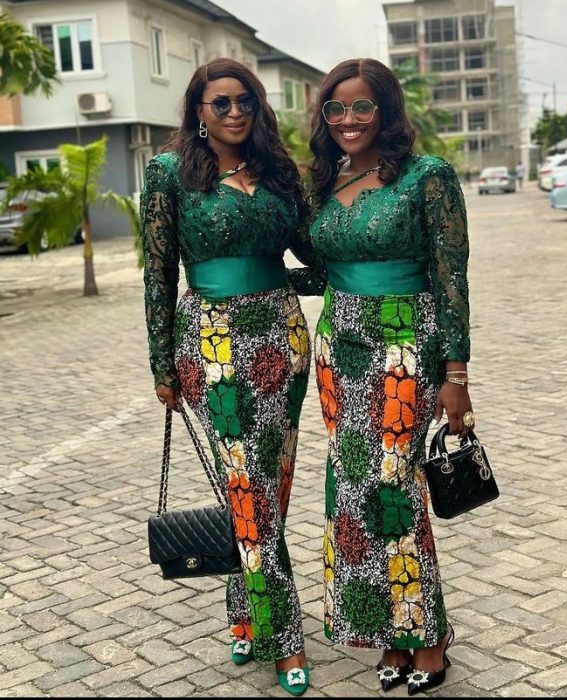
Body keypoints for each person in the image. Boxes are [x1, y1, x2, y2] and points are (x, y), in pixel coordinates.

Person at [140, 58, 314, 696]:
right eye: (221, 103)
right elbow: (158, 272)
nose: (235, 112)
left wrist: (277, 283)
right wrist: (162, 363)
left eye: (245, 101)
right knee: (248, 488)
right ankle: (283, 638)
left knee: (271, 488)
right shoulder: (168, 174)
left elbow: (317, 258)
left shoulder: (279, 174)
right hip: (211, 344)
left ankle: (246, 613)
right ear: (198, 111)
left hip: (283, 342)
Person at [307, 58, 473, 695]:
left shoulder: (427, 176)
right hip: (338, 347)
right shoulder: (326, 180)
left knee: (394, 483)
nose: (348, 119)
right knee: (352, 491)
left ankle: (427, 634)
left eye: (362, 107)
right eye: (336, 108)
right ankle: (390, 633)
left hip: (406, 339)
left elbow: (452, 277)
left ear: (387, 111)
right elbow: (324, 269)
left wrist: (456, 373)